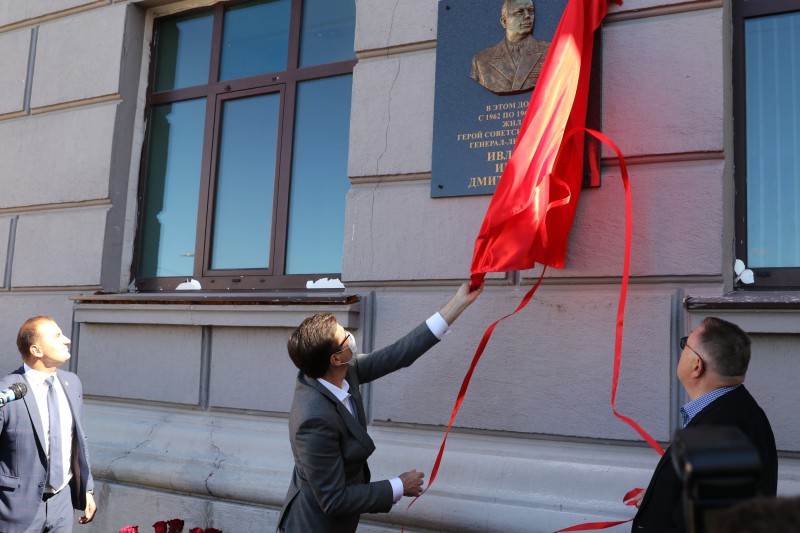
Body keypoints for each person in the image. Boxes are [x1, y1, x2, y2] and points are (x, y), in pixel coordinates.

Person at [276, 282, 483, 533]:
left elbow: (399, 354)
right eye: (345, 336)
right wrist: (398, 486)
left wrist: (457, 304)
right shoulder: (313, 420)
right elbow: (333, 499)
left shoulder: (336, 372)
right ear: (336, 358)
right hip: (313, 526)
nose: (351, 337)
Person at [631, 317, 778, 532]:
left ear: (696, 365)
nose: (682, 350)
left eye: (685, 344)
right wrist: (659, 498)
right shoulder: (740, 411)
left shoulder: (718, 434)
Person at [0, 317, 96, 533]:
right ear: (36, 350)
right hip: (15, 510)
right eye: (57, 336)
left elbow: (79, 440)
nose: (68, 340)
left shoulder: (72, 383)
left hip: (62, 504)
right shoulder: (8, 392)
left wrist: (87, 489)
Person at [470, 0, 550, 95]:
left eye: (531, 11)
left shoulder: (551, 52)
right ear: (504, 22)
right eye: (519, 12)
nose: (528, 16)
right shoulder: (481, 61)